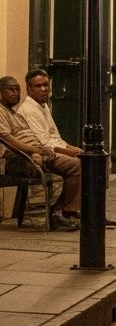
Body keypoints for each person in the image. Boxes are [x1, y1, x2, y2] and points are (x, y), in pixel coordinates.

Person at [0, 75, 81, 230]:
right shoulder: (1, 112)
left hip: (36, 155)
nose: (15, 93)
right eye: (11, 89)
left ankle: (69, 211)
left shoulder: (16, 115)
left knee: (84, 162)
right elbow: (8, 140)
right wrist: (37, 151)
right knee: (75, 165)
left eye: (17, 89)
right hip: (19, 160)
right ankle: (58, 214)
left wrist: (42, 151)